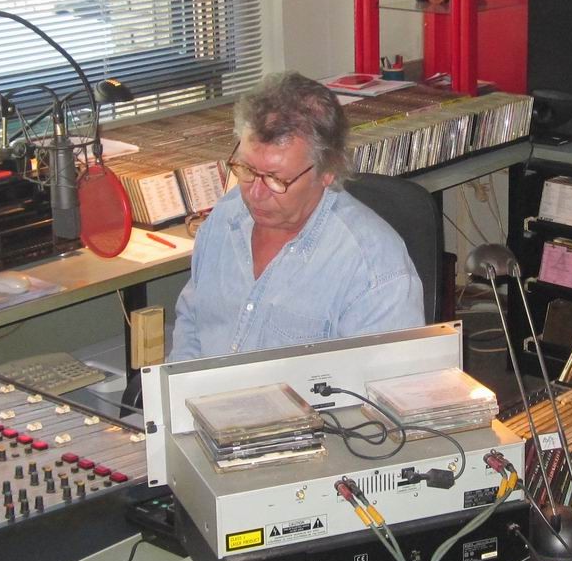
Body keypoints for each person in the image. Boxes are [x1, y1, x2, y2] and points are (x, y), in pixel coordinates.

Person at [169, 72, 424, 362]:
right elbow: (192, 323)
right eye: (247, 170)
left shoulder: (374, 267)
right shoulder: (224, 219)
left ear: (327, 172)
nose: (255, 194)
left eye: (276, 179)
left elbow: (384, 382)